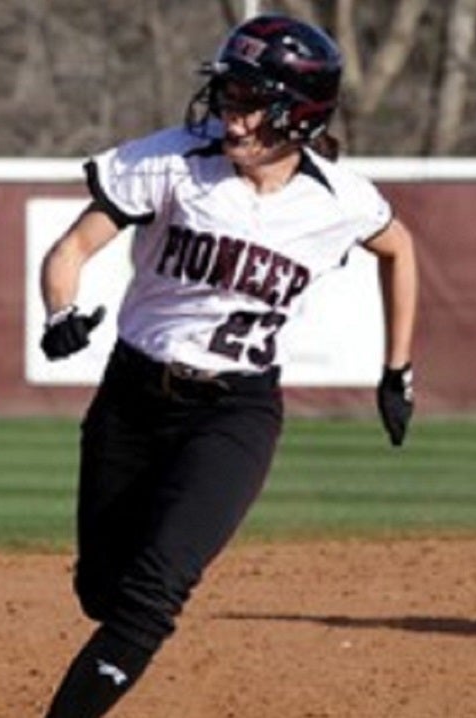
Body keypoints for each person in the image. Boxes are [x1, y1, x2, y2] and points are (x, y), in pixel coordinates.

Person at [36, 14, 418, 718]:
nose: (230, 116)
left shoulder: (338, 200)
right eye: (229, 96)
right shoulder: (173, 163)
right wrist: (60, 316)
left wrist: (397, 370)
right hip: (133, 395)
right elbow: (67, 252)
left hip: (235, 411)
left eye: (251, 102)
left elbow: (399, 249)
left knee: (155, 594)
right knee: (104, 592)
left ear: (299, 116)